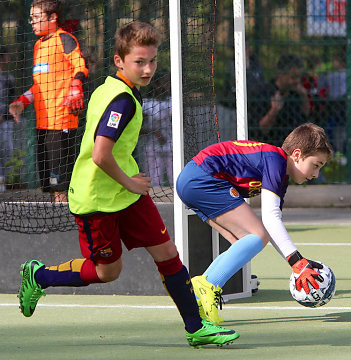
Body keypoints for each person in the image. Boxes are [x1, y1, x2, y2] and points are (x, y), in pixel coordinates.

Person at [17, 21, 239, 348]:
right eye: (140, 62)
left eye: (152, 61)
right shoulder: (120, 100)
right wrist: (131, 183)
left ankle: (196, 327)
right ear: (120, 61)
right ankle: (39, 276)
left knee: (167, 253)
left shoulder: (114, 87)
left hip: (126, 193)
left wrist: (130, 186)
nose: (148, 69)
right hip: (97, 199)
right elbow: (100, 154)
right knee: (108, 272)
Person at [176, 122, 334, 324]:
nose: (316, 175)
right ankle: (207, 284)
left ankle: (199, 300)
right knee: (257, 235)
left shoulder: (280, 174)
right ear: (297, 155)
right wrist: (297, 262)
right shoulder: (275, 159)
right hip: (202, 177)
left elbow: (272, 225)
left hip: (194, 179)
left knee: (243, 241)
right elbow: (269, 218)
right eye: (316, 165)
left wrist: (295, 263)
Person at [9, 0, 88, 202]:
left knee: (61, 185)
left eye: (36, 17)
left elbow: (80, 66)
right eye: (31, 18)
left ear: (52, 18)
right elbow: (39, 86)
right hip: (42, 124)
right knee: (50, 185)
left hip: (61, 122)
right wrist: (21, 102)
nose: (32, 22)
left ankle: (69, 228)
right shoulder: (37, 46)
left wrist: (76, 85)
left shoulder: (65, 39)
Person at [249, 54, 310, 146]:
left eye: (299, 77)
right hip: (269, 146)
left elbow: (305, 115)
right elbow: (260, 129)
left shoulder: (296, 93)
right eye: (293, 77)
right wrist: (274, 110)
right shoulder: (264, 93)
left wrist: (304, 96)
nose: (297, 81)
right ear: (280, 74)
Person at [138, 70, 173, 186]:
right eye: (164, 82)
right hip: (152, 147)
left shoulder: (172, 101)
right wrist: (154, 132)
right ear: (156, 84)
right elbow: (138, 128)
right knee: (155, 181)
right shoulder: (146, 103)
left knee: (174, 178)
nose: (167, 85)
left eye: (168, 82)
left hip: (171, 145)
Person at [0, 45, 16, 190]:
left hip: (4, 122)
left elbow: (12, 99)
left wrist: (4, 115)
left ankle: (2, 183)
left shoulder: (8, 78)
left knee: (6, 151)